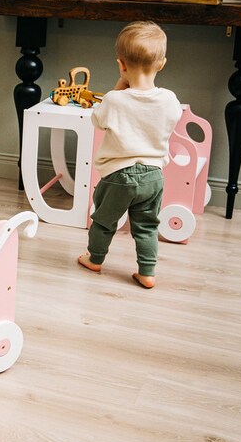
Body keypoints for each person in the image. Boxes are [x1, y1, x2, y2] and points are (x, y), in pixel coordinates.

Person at [78, 21, 182, 289]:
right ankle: (147, 272)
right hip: (153, 176)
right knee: (147, 225)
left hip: (118, 177)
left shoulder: (114, 99)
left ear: (121, 65)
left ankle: (95, 259)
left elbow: (98, 121)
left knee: (103, 220)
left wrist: (117, 89)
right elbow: (170, 120)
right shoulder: (170, 99)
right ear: (162, 64)